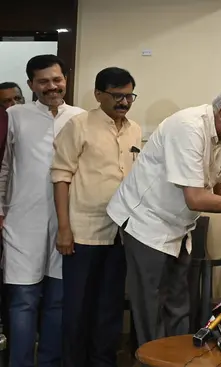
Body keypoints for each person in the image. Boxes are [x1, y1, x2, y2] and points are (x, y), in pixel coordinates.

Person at [107, 86, 221, 346]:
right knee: (151, 306)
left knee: (179, 302)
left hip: (178, 227)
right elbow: (196, 198)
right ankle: (154, 363)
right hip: (145, 223)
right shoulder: (188, 127)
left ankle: (178, 358)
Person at [51, 67, 141, 367]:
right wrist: (64, 228)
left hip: (121, 233)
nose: (124, 102)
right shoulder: (79, 125)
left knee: (109, 309)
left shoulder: (135, 130)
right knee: (77, 309)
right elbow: (61, 177)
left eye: (129, 96)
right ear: (99, 94)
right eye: (117, 96)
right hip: (83, 233)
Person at [0, 54, 85, 367]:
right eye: (44, 81)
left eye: (57, 79)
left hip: (69, 223)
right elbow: (5, 167)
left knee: (59, 300)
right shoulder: (15, 116)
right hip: (23, 221)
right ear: (31, 85)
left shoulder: (80, 117)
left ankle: (50, 363)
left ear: (65, 79)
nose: (52, 86)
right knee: (23, 302)